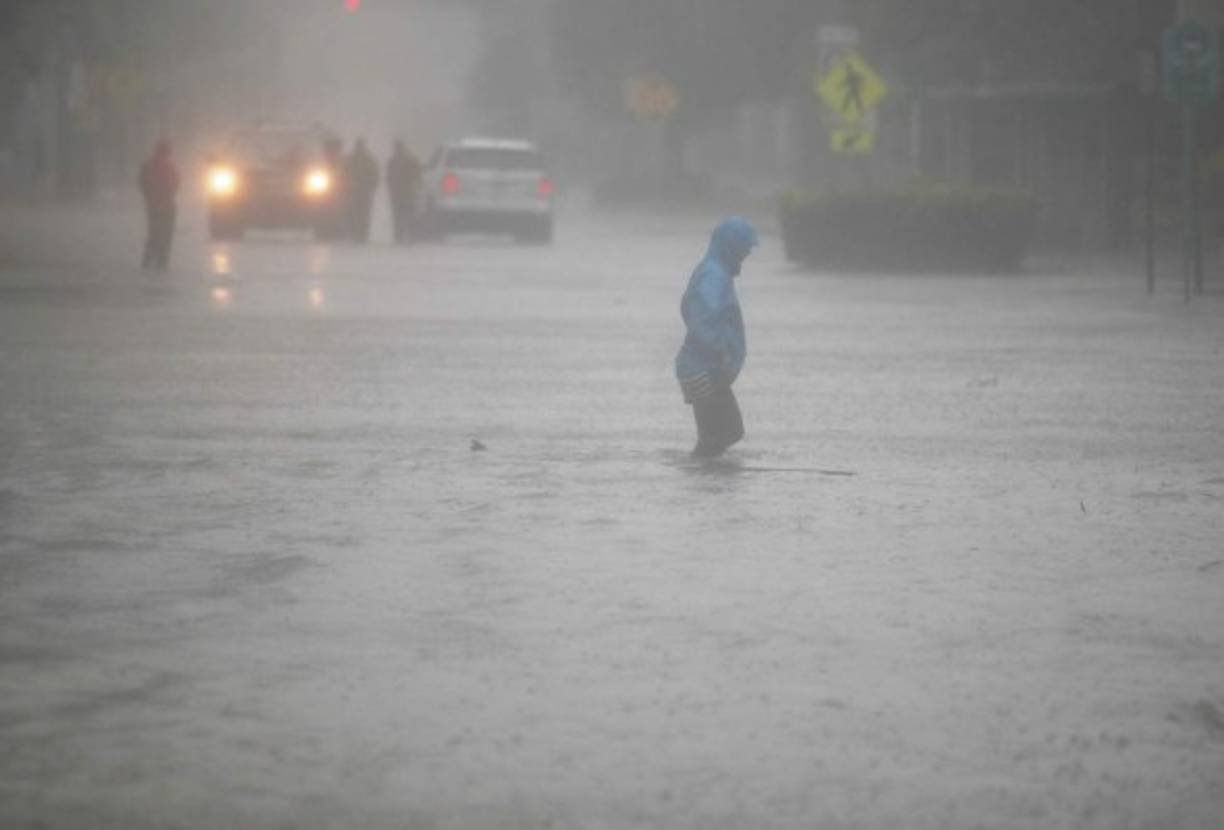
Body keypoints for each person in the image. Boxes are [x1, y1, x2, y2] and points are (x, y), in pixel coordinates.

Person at [674, 217, 759, 458]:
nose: (747, 253)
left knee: (722, 435)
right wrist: (720, 351)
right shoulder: (714, 275)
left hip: (704, 367)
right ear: (731, 246)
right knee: (723, 434)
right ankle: (702, 474)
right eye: (744, 247)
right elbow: (703, 316)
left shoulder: (716, 271)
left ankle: (706, 473)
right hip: (704, 368)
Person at [139, 139, 180, 271]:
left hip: (152, 205)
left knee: (153, 233)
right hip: (168, 205)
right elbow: (176, 184)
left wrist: (148, 197)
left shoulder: (147, 165)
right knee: (166, 234)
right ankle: (162, 261)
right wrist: (168, 194)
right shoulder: (170, 167)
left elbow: (142, 183)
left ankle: (147, 260)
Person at [386, 140, 423, 244]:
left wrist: (417, 186)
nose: (397, 149)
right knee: (403, 215)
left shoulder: (405, 160)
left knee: (404, 215)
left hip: (405, 192)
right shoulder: (396, 160)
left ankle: (406, 235)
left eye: (398, 147)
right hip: (402, 193)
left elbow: (418, 174)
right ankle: (402, 235)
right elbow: (389, 177)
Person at [345, 138, 379, 243]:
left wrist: (372, 186)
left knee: (362, 213)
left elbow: (375, 175)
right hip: (357, 191)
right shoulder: (361, 159)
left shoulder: (367, 159)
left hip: (363, 191)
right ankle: (358, 233)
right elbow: (344, 173)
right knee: (357, 213)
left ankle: (361, 234)